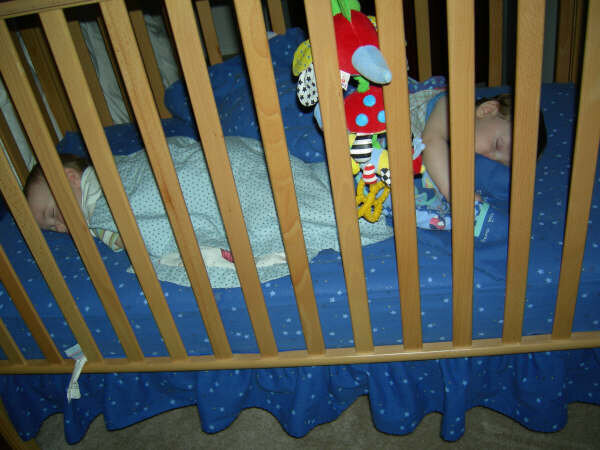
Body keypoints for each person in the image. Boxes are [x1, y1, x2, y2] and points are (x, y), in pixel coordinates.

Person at [24, 135, 394, 289]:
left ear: (72, 178)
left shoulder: (110, 183)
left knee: (275, 203)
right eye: (48, 226)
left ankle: (362, 194)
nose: (57, 226)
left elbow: (151, 197)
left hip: (215, 168)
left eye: (53, 212)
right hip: (214, 176)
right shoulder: (95, 212)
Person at [421, 92, 547, 203]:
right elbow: (431, 141)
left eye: (498, 162)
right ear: (486, 110)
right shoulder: (451, 106)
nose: (489, 157)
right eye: (497, 145)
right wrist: (455, 192)